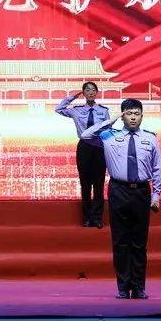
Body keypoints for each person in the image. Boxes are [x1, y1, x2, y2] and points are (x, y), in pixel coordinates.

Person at [81, 99, 161, 300]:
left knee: (139, 243)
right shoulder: (109, 135)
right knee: (120, 242)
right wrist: (111, 120)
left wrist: (156, 194)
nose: (133, 117)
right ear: (123, 115)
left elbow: (157, 168)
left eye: (136, 113)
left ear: (142, 116)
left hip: (141, 191)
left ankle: (139, 287)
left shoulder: (151, 138)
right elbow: (85, 135)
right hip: (118, 190)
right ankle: (123, 287)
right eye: (129, 113)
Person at [55, 82, 110, 228]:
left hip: (99, 147)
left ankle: (97, 218)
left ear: (97, 92)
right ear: (83, 93)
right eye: (87, 90)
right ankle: (87, 218)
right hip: (84, 147)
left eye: (93, 90)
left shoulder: (103, 111)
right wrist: (73, 97)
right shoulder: (76, 110)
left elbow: (108, 129)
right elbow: (58, 109)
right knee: (85, 184)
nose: (90, 92)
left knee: (98, 184)